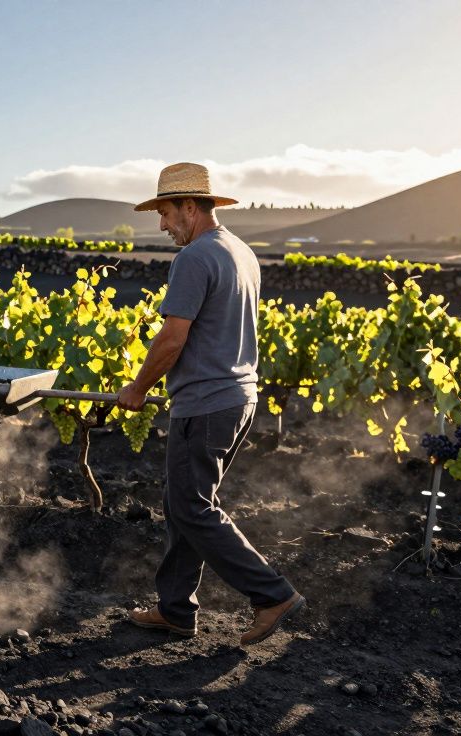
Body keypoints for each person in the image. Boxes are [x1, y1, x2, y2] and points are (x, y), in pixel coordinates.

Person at [115, 162, 304, 647]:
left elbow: (172, 338)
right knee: (185, 504)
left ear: (190, 206)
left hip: (204, 403)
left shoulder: (195, 258)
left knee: (192, 506)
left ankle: (271, 594)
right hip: (239, 397)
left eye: (165, 213)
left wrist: (136, 388)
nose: (162, 224)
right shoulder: (241, 252)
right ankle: (176, 609)